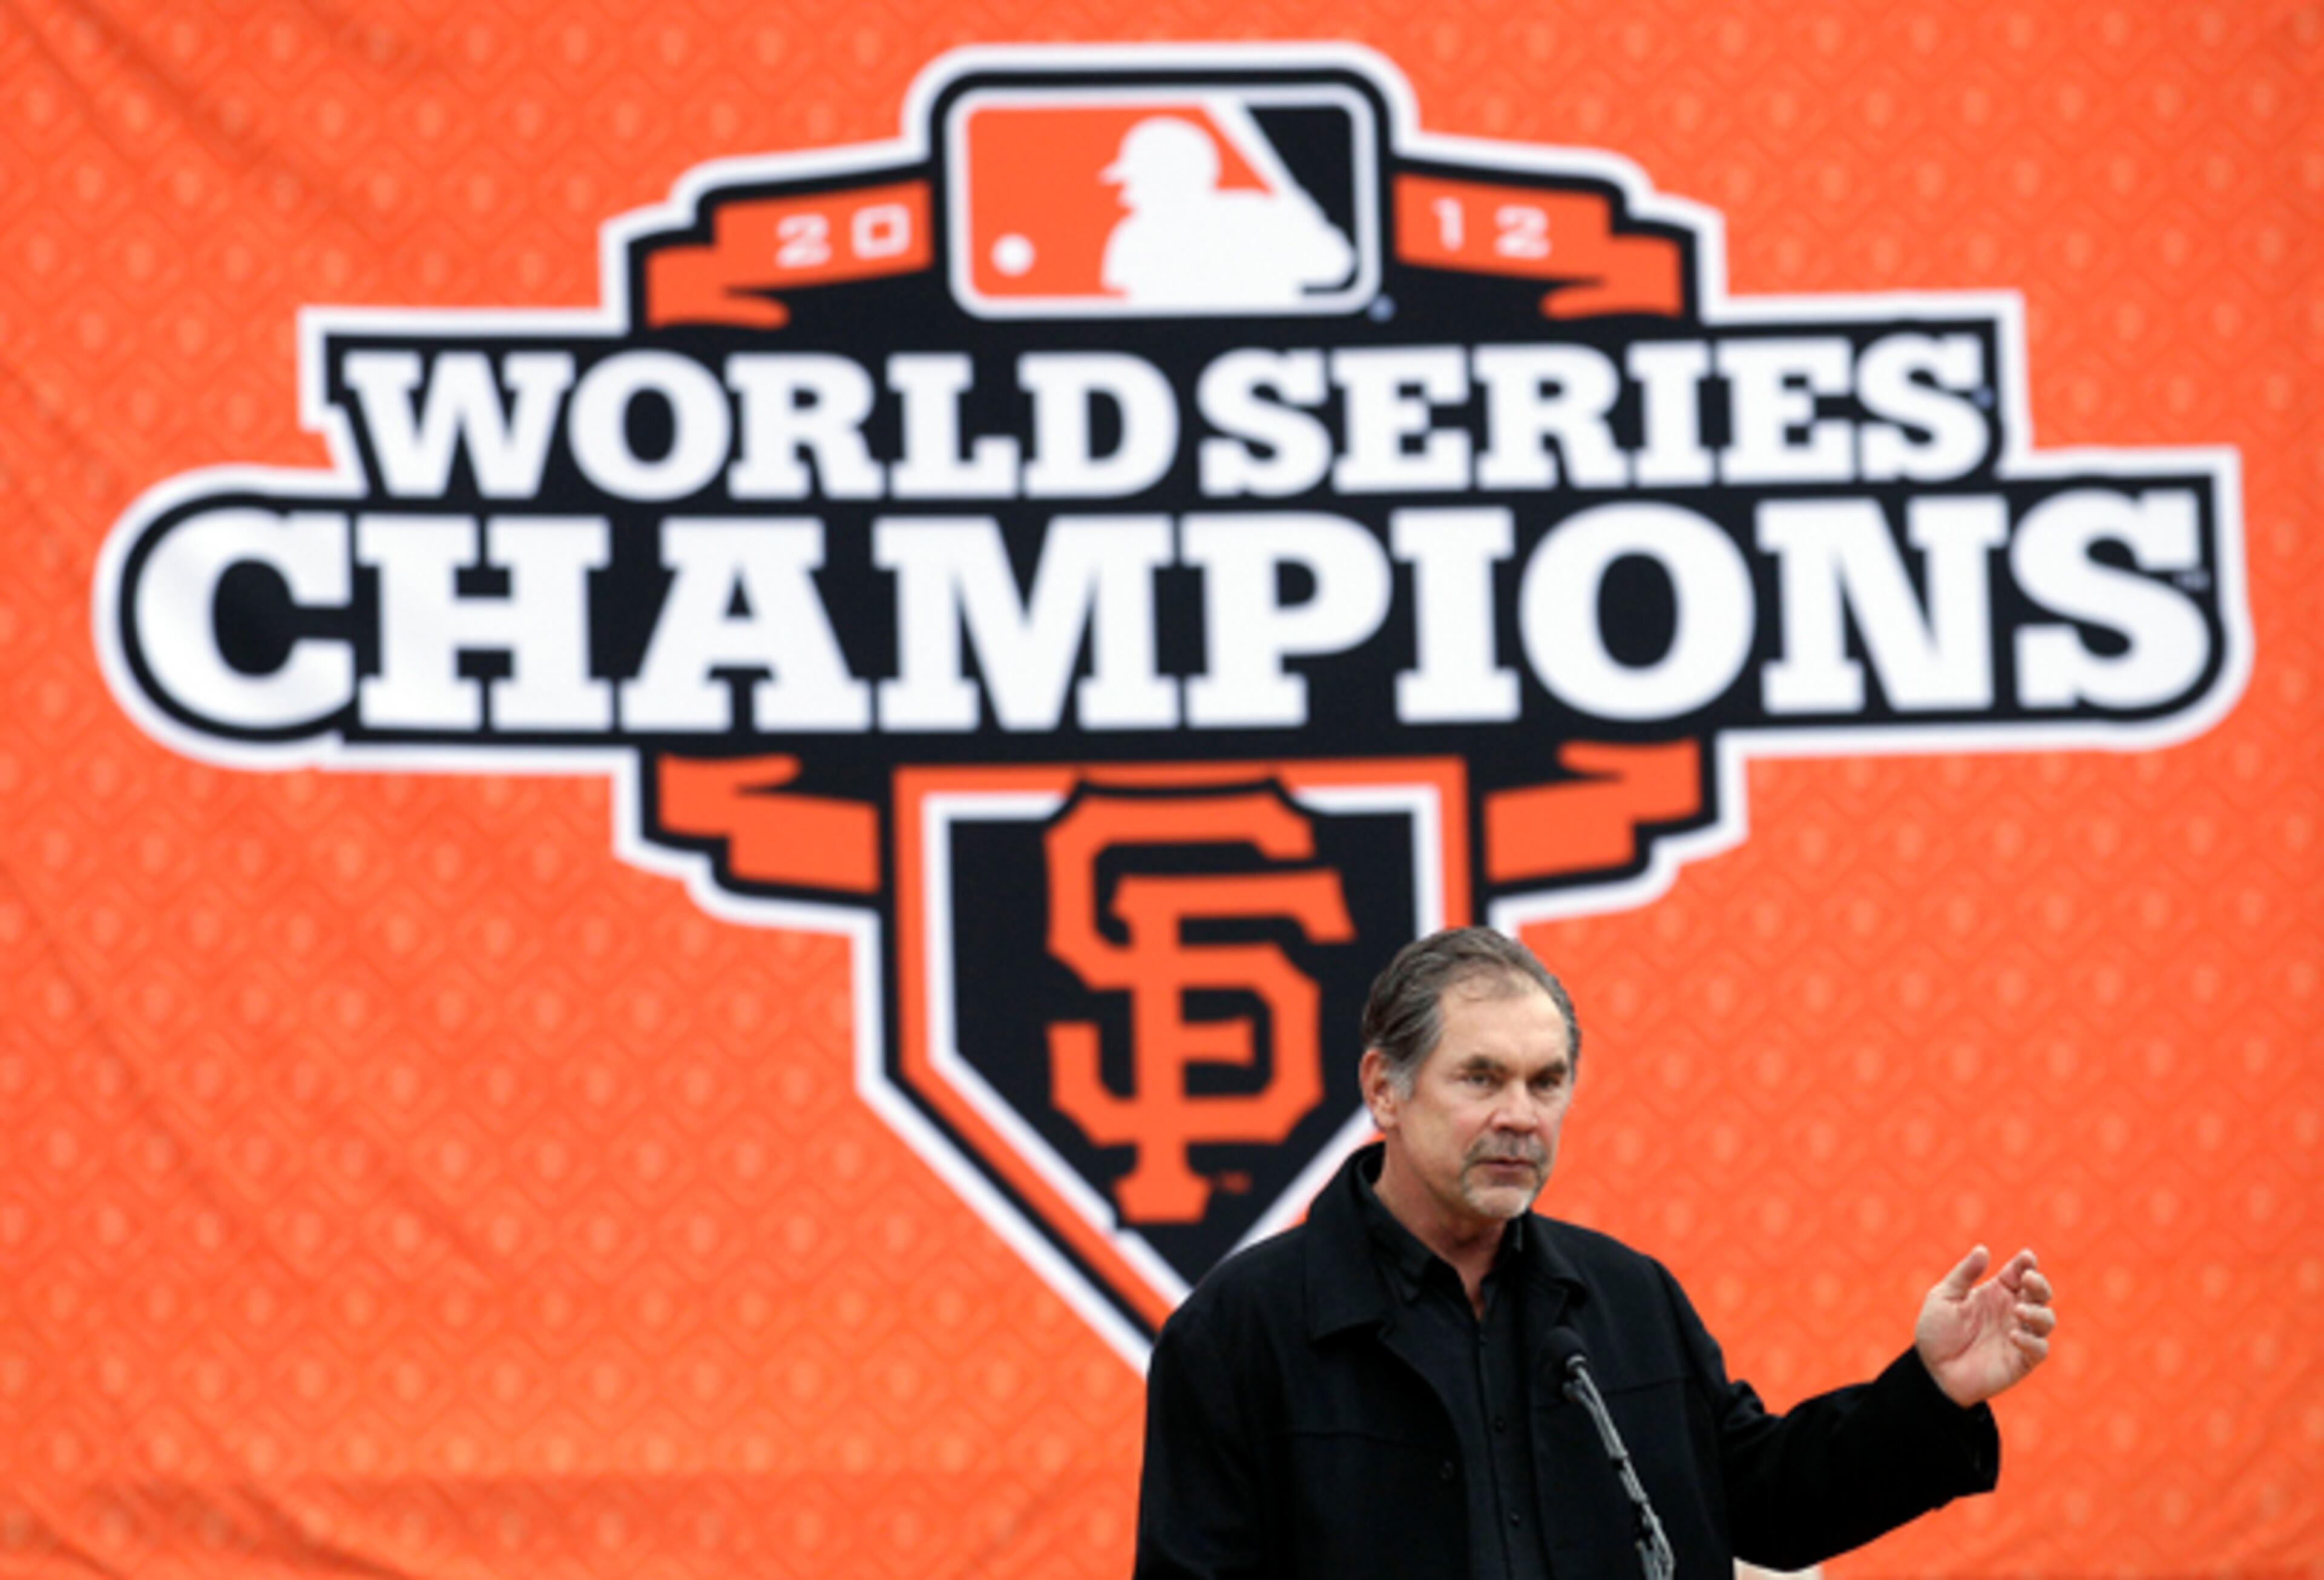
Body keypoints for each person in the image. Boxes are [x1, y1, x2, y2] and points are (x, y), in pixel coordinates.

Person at [1134, 927, 2056, 1580]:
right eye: (1481, 1077)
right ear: (1385, 1088)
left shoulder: (1625, 1297)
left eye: (1547, 1081)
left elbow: (1766, 1507)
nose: (1519, 1117)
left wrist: (1931, 1394)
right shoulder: (1239, 1330)